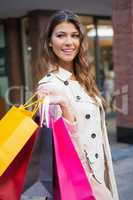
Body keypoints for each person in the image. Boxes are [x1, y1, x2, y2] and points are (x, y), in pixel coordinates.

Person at [37, 10, 119, 200]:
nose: (69, 42)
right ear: (50, 41)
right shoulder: (49, 85)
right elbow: (58, 147)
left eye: (74, 36)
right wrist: (92, 182)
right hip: (80, 182)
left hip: (100, 172)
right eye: (60, 35)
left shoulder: (83, 78)